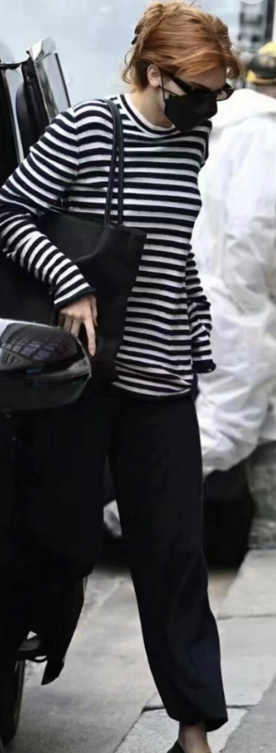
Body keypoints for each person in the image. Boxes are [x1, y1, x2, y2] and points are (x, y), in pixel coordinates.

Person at [0, 0, 245, 753]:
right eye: (198, 92)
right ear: (155, 74)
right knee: (59, 540)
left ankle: (194, 738)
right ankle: (7, 654)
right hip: (84, 381)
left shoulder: (191, 140)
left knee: (175, 559)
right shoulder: (87, 130)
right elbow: (6, 214)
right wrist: (68, 280)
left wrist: (193, 329)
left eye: (218, 94)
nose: (208, 109)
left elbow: (172, 248)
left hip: (162, 384)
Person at [193, 40, 276, 550]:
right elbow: (256, 230)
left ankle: (267, 534)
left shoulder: (227, 126)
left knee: (263, 420)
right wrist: (255, 307)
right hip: (241, 301)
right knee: (230, 427)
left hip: (225, 293)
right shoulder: (265, 136)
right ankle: (113, 512)